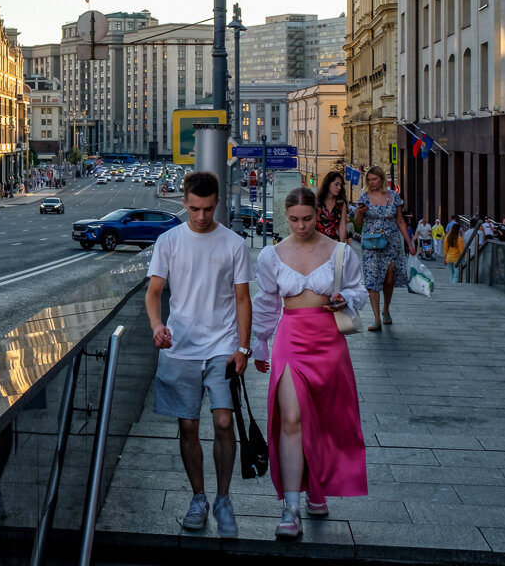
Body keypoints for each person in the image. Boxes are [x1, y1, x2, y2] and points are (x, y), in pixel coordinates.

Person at [252, 187, 368, 540]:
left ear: (318, 214)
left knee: (326, 419)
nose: (301, 226)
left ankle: (317, 490)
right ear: (284, 217)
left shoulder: (341, 252)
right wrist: (258, 345)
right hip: (290, 340)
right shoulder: (271, 256)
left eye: (307, 218)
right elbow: (268, 304)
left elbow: (359, 291)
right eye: (294, 220)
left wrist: (343, 297)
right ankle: (290, 507)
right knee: (290, 418)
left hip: (328, 342)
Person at [144, 171, 252, 538]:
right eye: (194, 209)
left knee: (224, 422)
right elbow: (154, 292)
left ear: (217, 203)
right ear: (184, 201)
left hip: (222, 346)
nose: (201, 217)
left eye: (207, 209)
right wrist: (157, 326)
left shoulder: (234, 244)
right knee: (187, 425)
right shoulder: (169, 241)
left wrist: (243, 346)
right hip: (180, 347)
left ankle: (223, 497)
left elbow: (242, 299)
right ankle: (199, 497)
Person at [354, 166, 414, 331]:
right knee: (372, 280)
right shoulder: (364, 198)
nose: (371, 183)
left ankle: (386, 308)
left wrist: (409, 243)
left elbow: (400, 221)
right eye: (369, 180)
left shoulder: (394, 196)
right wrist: (359, 214)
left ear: (381, 179)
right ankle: (376, 319)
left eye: (374, 179)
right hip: (371, 244)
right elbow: (357, 225)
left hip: (392, 243)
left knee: (389, 279)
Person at [314, 171, 348, 243]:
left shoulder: (341, 204)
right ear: (328, 183)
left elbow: (342, 226)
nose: (339, 188)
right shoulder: (317, 202)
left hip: (334, 243)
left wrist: (341, 246)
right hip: (318, 243)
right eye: (336, 184)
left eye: (340, 185)